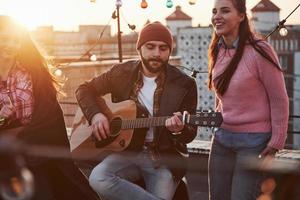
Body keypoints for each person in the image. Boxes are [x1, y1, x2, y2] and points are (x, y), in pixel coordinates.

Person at [76, 21, 198, 200]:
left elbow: (190, 133)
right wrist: (96, 115)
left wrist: (178, 129)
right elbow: (83, 89)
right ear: (139, 48)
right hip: (127, 151)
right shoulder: (121, 72)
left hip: (163, 157)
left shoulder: (185, 84)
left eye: (163, 48)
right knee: (98, 178)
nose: (157, 53)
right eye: (150, 47)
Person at [0, 15, 99, 200]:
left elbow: (50, 116)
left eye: (15, 40)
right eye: (5, 38)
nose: (10, 45)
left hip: (34, 151)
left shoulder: (33, 73)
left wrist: (24, 138)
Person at [207, 0, 289, 200]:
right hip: (221, 139)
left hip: (254, 143)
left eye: (225, 11)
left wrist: (277, 140)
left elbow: (279, 99)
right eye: (214, 11)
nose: (217, 16)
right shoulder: (217, 50)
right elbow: (223, 95)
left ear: (241, 16)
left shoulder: (260, 50)